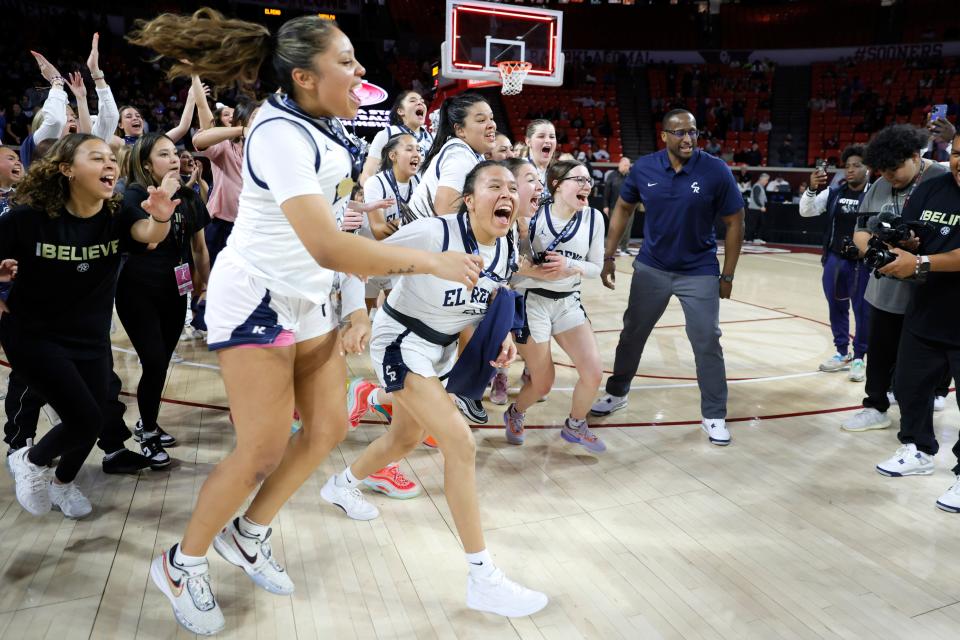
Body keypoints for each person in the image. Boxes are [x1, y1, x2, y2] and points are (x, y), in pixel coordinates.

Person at [127, 10, 486, 634]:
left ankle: (249, 532)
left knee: (323, 430)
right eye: (345, 61)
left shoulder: (330, 128)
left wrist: (350, 306)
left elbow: (343, 226)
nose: (360, 70)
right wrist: (428, 258)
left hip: (312, 299)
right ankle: (181, 563)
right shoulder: (276, 133)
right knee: (262, 448)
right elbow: (326, 244)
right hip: (259, 299)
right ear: (304, 76)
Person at [325, 161, 549, 617]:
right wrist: (358, 314)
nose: (506, 192)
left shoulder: (507, 245)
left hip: (441, 349)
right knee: (460, 444)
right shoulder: (432, 234)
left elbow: (485, 299)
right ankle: (482, 576)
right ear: (469, 199)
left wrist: (501, 334)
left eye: (512, 187)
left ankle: (341, 485)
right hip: (400, 340)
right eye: (494, 186)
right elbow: (354, 259)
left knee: (405, 437)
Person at [2, 133, 175, 518]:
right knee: (86, 418)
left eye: (112, 158)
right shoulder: (27, 218)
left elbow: (148, 236)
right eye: (96, 158)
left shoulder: (117, 214)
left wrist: (160, 215)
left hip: (91, 336)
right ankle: (32, 460)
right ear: (66, 170)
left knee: (95, 417)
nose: (110, 164)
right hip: (34, 335)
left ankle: (63, 483)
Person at [591, 109, 745, 446]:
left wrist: (728, 274)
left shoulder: (715, 170)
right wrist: (608, 255)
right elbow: (622, 207)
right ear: (664, 136)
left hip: (699, 270)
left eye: (692, 131)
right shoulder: (644, 168)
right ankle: (617, 392)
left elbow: (735, 221)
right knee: (632, 334)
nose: (687, 138)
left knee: (707, 340)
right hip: (652, 267)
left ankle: (714, 414)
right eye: (679, 132)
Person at [872, 134, 960, 513]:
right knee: (909, 386)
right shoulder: (933, 187)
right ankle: (919, 449)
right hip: (927, 310)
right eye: (958, 153)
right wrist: (904, 244)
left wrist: (922, 263)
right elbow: (919, 236)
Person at [842, 125, 951, 432]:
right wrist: (881, 251)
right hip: (885, 289)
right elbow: (861, 231)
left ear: (916, 156)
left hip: (929, 291)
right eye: (883, 171)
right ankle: (875, 406)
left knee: (922, 362)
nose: (889, 176)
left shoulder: (943, 179)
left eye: (894, 169)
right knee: (878, 353)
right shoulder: (879, 186)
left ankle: (921, 420)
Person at [116, 133, 212, 460]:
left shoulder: (190, 197)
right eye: (163, 154)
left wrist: (204, 286)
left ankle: (147, 422)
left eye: (175, 153)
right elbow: (145, 238)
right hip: (137, 290)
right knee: (154, 360)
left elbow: (199, 247)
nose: (174, 159)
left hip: (176, 290)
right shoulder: (132, 196)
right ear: (146, 163)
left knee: (160, 365)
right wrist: (163, 201)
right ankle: (150, 434)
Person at [504, 160, 605, 452]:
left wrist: (570, 265)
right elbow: (512, 265)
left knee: (594, 372)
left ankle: (576, 424)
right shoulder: (532, 215)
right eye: (579, 180)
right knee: (543, 383)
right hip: (531, 301)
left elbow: (596, 267)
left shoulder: (593, 218)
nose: (587, 186)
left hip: (567, 301)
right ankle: (515, 412)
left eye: (589, 181)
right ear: (557, 185)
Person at [799, 145, 870, 380]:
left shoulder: (875, 195)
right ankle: (842, 352)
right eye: (847, 166)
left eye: (856, 165)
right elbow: (805, 211)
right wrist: (811, 187)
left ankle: (859, 356)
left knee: (862, 311)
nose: (850, 170)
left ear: (868, 168)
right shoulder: (834, 193)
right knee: (836, 308)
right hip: (835, 259)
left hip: (862, 264)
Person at [191, 76, 259, 265]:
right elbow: (203, 131)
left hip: (252, 225)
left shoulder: (261, 149)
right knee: (215, 281)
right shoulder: (224, 146)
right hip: (222, 224)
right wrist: (194, 76)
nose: (260, 121)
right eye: (255, 117)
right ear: (242, 121)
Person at [409, 93, 494, 219]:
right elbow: (445, 219)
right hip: (424, 236)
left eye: (491, 118)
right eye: (481, 120)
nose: (492, 125)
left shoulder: (467, 152)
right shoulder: (459, 157)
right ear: (460, 130)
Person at [360, 133, 417, 308]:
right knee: (356, 324)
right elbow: (378, 230)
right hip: (366, 261)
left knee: (399, 319)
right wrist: (413, 221)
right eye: (409, 149)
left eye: (418, 149)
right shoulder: (375, 183)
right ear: (393, 156)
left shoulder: (420, 183)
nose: (417, 154)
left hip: (396, 262)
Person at [359, 90, 433, 182]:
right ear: (400, 111)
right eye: (412, 100)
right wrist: (374, 195)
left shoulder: (431, 138)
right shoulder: (388, 134)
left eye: (422, 101)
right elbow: (367, 174)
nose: (420, 103)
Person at [603, 156, 634, 254]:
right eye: (625, 165)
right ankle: (611, 248)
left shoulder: (632, 176)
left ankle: (624, 247)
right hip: (614, 206)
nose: (627, 167)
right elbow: (606, 192)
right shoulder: (612, 175)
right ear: (620, 164)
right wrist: (605, 206)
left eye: (629, 166)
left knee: (627, 227)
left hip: (629, 206)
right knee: (614, 228)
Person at [525, 119, 556, 194]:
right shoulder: (517, 169)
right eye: (541, 136)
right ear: (528, 141)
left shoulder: (559, 171)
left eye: (552, 137)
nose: (548, 140)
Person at [746, 172, 768, 244]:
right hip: (754, 209)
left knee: (760, 224)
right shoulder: (757, 186)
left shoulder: (760, 187)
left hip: (758, 209)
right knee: (752, 224)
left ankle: (757, 238)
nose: (766, 182)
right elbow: (756, 198)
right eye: (766, 180)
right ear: (761, 179)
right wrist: (761, 206)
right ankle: (749, 239)